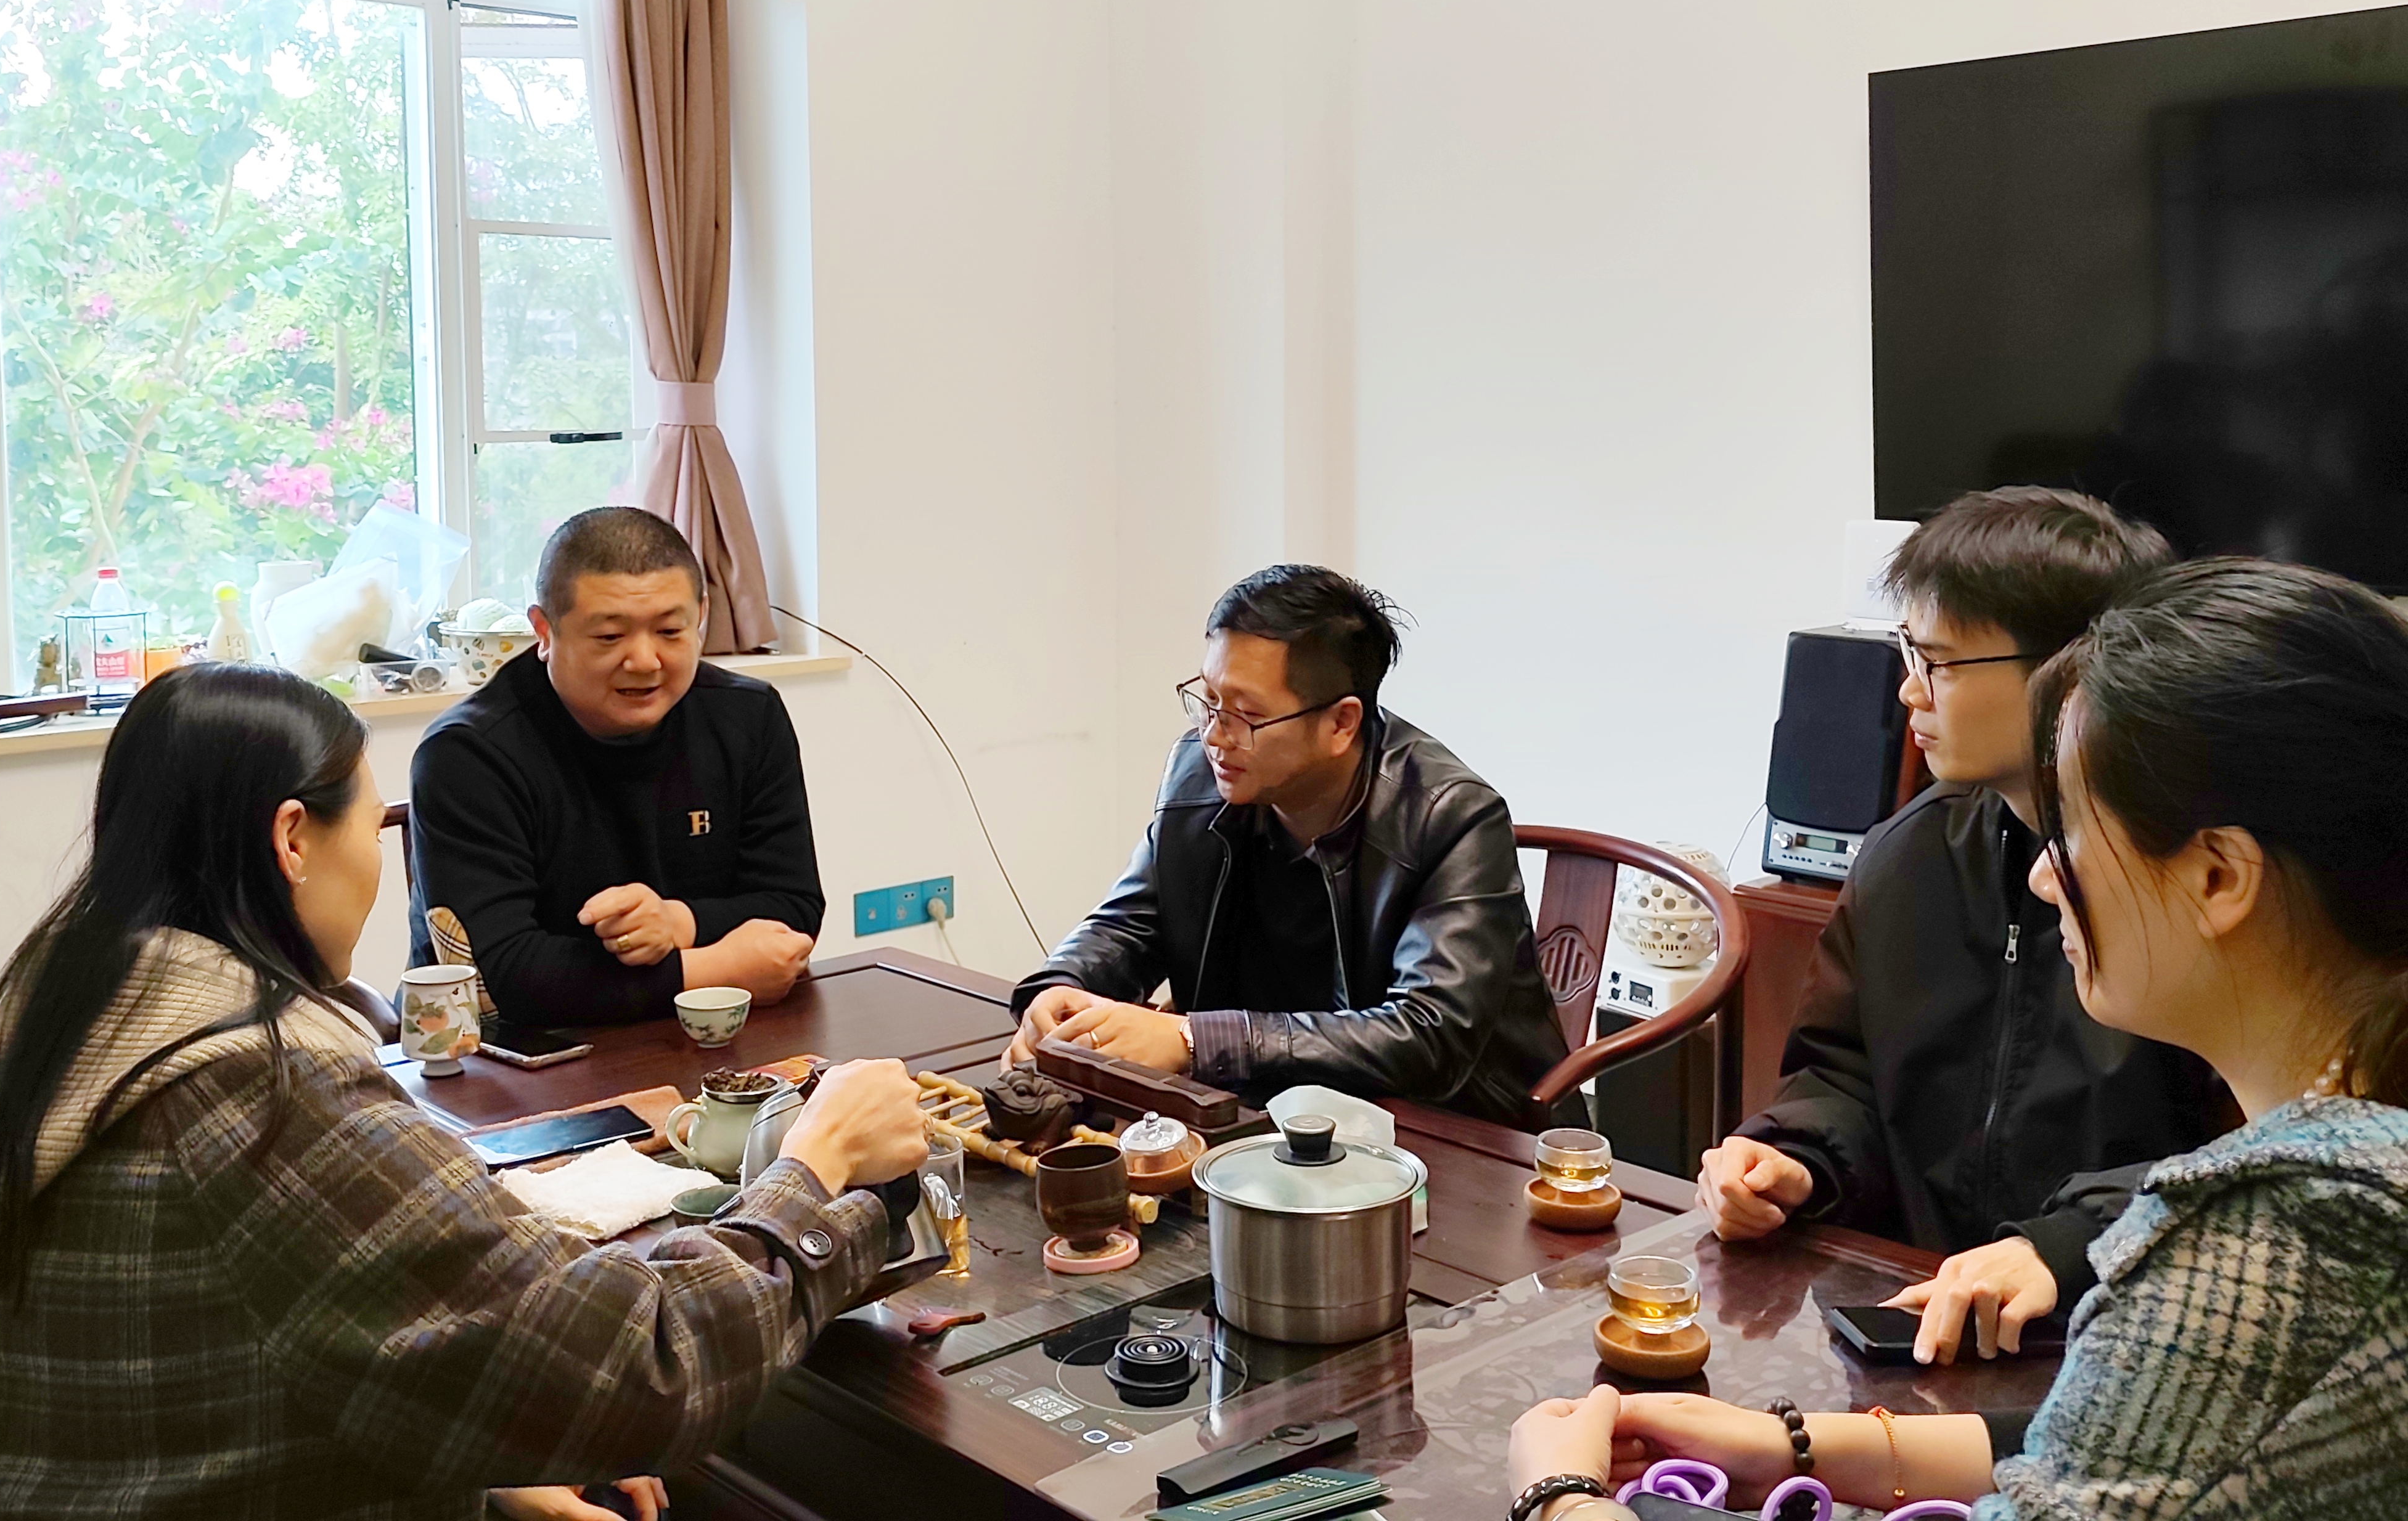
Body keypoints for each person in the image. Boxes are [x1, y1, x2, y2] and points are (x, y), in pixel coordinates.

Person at [0, 663, 928, 1521]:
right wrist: (814, 1171)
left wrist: (469, 1452)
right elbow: (641, 1366)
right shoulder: (264, 1087)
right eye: (372, 824)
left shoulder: (62, 1012)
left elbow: (215, 1344)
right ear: (294, 838)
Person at [1509, 558, 2408, 1519]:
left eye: (2077, 831)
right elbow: (2122, 1444)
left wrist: (1563, 1501)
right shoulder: (2343, 1180)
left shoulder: (2274, 1239)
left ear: (2220, 878)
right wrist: (1802, 1446)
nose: (2046, 877)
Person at [1696, 488, 2219, 1364]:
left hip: (2127, 1332)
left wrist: (2062, 1247)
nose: (1908, 689)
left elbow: (2261, 1151)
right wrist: (1792, 1157)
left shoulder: (2191, 885)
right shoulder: (1908, 854)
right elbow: (1844, 1074)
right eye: (1909, 653)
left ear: (2074, 670)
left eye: (1935, 662)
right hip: (1916, 1318)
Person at [1005, 564, 1570, 1127]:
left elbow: (1430, 1036)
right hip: (1263, 1115)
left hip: (1451, 1133)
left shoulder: (1451, 817)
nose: (1214, 736)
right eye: (1208, 700)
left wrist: (1193, 1039)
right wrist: (1061, 989)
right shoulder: (1199, 775)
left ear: (1341, 724)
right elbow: (1130, 923)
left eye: (1247, 715)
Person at [409, 507, 822, 1026]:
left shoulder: (747, 717)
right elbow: (503, 976)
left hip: (704, 1033)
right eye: (609, 637)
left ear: (701, 615)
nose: (645, 662)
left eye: (670, 631)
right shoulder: (468, 754)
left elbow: (792, 907)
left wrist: (679, 923)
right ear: (544, 631)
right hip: (513, 1051)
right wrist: (712, 968)